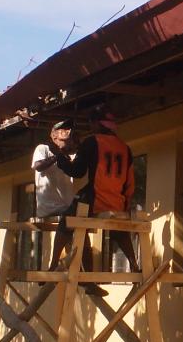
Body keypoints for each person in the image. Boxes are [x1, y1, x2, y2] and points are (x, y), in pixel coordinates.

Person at [56, 110, 139, 273]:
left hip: (96, 200)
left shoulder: (92, 141)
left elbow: (77, 171)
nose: (90, 127)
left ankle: (53, 265)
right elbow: (130, 183)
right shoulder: (125, 148)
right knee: (119, 231)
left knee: (66, 222)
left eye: (91, 123)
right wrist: (125, 205)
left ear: (96, 123)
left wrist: (61, 159)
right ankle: (134, 264)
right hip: (117, 202)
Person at [31, 119, 80, 268]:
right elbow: (38, 166)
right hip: (50, 207)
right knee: (76, 225)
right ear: (53, 137)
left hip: (65, 207)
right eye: (62, 134)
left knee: (80, 230)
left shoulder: (67, 155)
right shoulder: (43, 149)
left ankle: (81, 273)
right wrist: (56, 157)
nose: (66, 136)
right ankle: (54, 264)